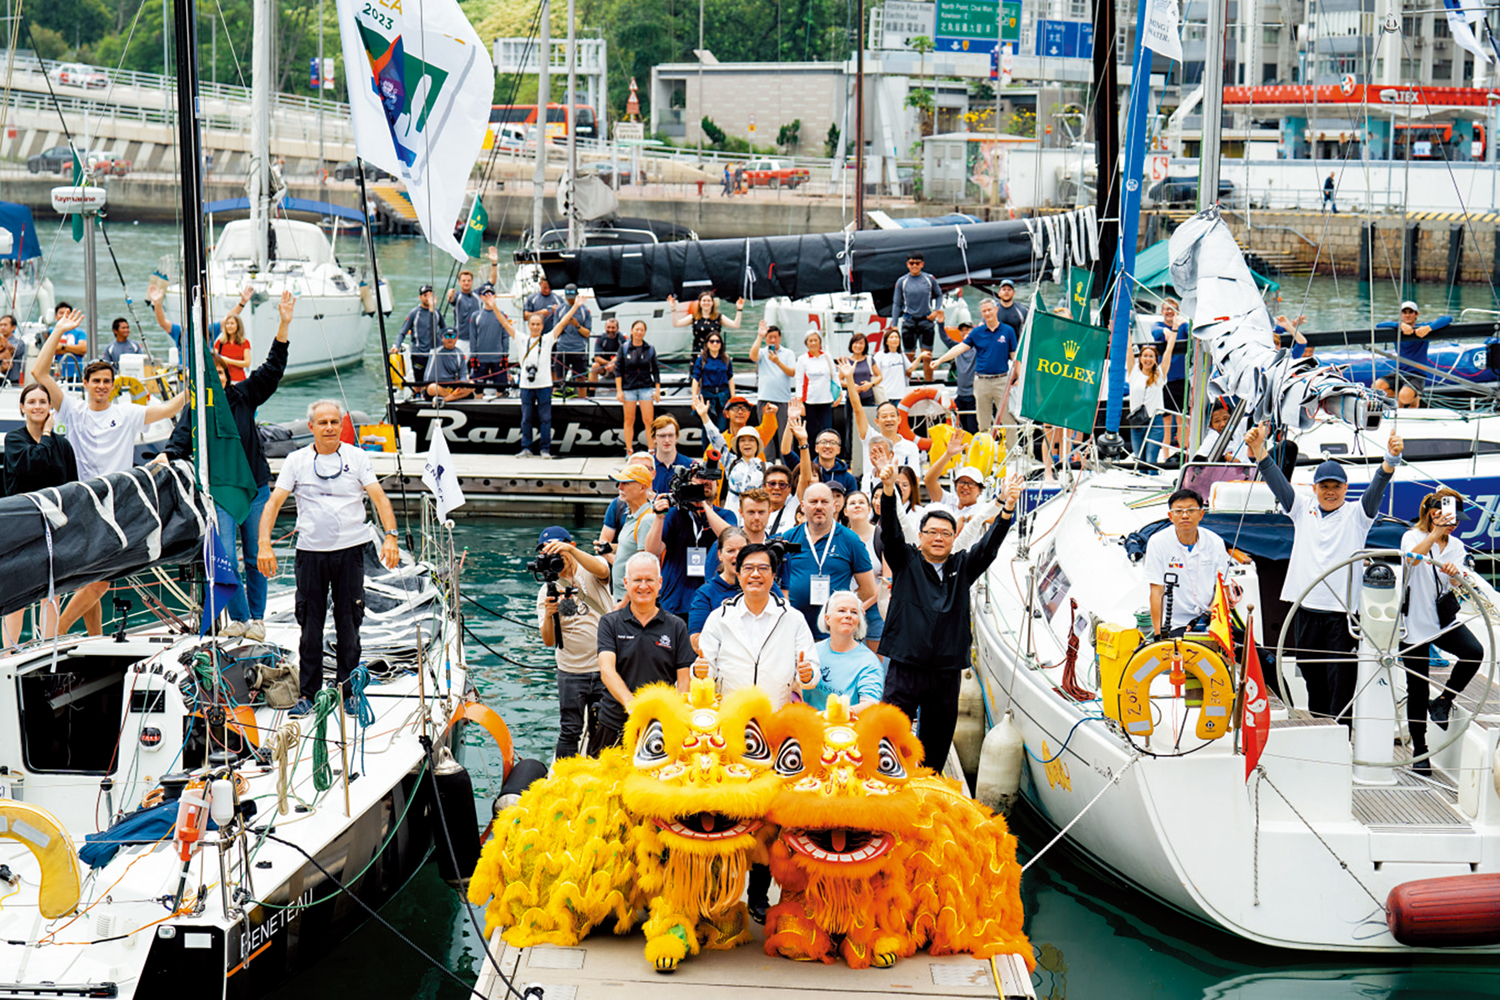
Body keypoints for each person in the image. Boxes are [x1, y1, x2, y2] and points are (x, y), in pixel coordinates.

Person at [31, 309, 188, 637]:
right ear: (86, 384)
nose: (101, 386)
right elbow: (39, 372)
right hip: (82, 501)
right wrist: (59, 330)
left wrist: (192, 388)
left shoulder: (127, 412)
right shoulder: (72, 410)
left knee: (97, 578)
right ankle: (55, 635)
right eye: (96, 381)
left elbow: (171, 408)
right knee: (98, 580)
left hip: (117, 501)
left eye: (107, 381)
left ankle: (93, 638)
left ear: (113, 384)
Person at [1246, 422, 1403, 724]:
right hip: (1305, 608)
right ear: (1315, 488)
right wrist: (1259, 450)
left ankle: (1341, 731)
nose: (1330, 492)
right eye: (1324, 486)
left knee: (1340, 677)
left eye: (1336, 486)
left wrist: (1390, 459)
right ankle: (1320, 726)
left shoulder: (1359, 514)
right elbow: (1276, 481)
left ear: (1346, 489)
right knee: (1308, 670)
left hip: (1341, 614)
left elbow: (1378, 486)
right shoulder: (1301, 508)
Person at [162, 290, 294, 640]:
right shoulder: (197, 410)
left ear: (227, 377)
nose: (217, 379)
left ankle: (257, 619)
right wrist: (163, 458)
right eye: (211, 374)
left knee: (255, 556)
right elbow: (178, 443)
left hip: (254, 488)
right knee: (227, 559)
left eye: (221, 373)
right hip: (219, 490)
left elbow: (272, 370)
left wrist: (283, 324)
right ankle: (238, 620)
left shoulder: (244, 396)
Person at [257, 399, 403, 715]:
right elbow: (273, 503)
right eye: (322, 422)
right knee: (310, 627)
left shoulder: (358, 457)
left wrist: (390, 538)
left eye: (335, 422)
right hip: (310, 555)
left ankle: (349, 691)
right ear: (311, 427)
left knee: (349, 625)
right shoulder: (296, 461)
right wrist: (264, 544)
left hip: (350, 553)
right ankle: (308, 694)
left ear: (341, 425)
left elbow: (379, 498)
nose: (329, 428)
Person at [876, 456, 1018, 769]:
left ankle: (929, 793)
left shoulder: (963, 566)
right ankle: (885, 794)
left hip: (946, 670)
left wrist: (1006, 510)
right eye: (932, 532)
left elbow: (989, 547)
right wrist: (888, 490)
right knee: (889, 738)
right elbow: (891, 532)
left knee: (936, 742)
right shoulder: (905, 560)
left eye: (946, 533)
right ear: (921, 535)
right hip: (905, 666)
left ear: (954, 539)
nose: (939, 538)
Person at [1401, 490, 1483, 773]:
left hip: (1441, 620)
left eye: (1456, 519)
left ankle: (1445, 699)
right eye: (1447, 518)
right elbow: (1411, 560)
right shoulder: (1412, 538)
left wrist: (1454, 574)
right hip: (1412, 625)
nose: (1453, 524)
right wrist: (1434, 535)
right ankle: (1420, 751)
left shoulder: (1457, 546)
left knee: (1474, 652)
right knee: (1417, 688)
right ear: (1432, 513)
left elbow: (1456, 580)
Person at [3, 383, 79, 645]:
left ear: (50, 407)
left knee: (53, 591)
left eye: (43, 402)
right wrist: (47, 434)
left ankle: (49, 648)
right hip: (20, 529)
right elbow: (32, 464)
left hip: (55, 528)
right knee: (17, 594)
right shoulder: (14, 440)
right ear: (22, 407)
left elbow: (72, 487)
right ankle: (10, 652)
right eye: (32, 401)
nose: (37, 406)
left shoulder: (64, 446)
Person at [596, 552, 695, 749]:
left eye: (649, 580)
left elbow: (684, 680)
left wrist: (680, 716)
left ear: (659, 583)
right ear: (625, 583)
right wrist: (631, 704)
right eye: (637, 580)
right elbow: (607, 670)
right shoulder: (610, 623)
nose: (643, 586)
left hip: (660, 725)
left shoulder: (676, 626)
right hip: (615, 722)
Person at [534, 526, 615, 759]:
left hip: (604, 666)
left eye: (559, 549)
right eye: (548, 551)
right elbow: (548, 641)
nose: (556, 556)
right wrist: (550, 615)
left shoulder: (589, 571)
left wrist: (570, 550)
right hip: (570, 671)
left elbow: (603, 568)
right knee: (570, 730)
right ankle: (564, 780)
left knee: (604, 728)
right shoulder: (547, 590)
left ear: (572, 547)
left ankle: (600, 774)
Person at [779, 482, 877, 637]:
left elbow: (868, 589)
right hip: (795, 633)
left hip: (836, 636)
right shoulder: (788, 539)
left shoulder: (851, 540)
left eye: (824, 502)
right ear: (803, 506)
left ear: (834, 505)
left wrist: (844, 604)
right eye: (813, 502)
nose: (819, 507)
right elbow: (774, 582)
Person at [645, 463, 738, 618]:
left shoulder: (725, 515)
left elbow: (731, 538)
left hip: (713, 601)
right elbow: (652, 551)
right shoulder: (675, 515)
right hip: (676, 600)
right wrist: (659, 517)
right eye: (700, 478)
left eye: (710, 479)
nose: (706, 481)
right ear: (689, 482)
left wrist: (703, 504)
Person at [1145, 489, 1235, 638]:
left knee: (1260, 654)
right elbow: (1157, 592)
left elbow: (1222, 589)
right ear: (1170, 516)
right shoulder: (1157, 542)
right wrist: (1158, 634)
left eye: (1191, 510)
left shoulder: (1215, 542)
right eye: (1179, 511)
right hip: (1176, 624)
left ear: (1201, 514)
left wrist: (1207, 615)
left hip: (1211, 619)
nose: (1185, 515)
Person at [934, 300, 1019, 432]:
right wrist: (939, 360)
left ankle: (1013, 452)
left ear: (996, 309)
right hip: (981, 382)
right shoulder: (976, 333)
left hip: (1001, 381)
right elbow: (959, 348)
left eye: (989, 310)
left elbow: (1015, 356)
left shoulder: (1008, 331)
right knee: (983, 422)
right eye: (984, 311)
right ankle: (985, 451)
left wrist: (1019, 376)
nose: (987, 313)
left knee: (1008, 420)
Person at [513, 297, 583, 458]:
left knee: (546, 419)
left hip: (544, 385)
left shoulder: (548, 339)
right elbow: (504, 323)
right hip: (526, 386)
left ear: (542, 326)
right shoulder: (522, 339)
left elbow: (563, 322)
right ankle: (526, 448)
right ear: (529, 325)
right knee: (526, 419)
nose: (535, 326)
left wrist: (576, 306)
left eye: (538, 324)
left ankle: (545, 449)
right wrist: (492, 305)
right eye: (533, 324)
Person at [841, 369, 921, 494]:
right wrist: (849, 378)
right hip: (871, 496)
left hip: (898, 496)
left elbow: (914, 479)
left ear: (899, 419)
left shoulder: (910, 447)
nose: (889, 419)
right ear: (877, 421)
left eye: (892, 415)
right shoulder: (870, 438)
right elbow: (857, 408)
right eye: (884, 416)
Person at [807, 590, 884, 712]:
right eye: (842, 610)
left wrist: (839, 713)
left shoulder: (869, 662)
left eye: (854, 612)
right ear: (827, 619)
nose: (848, 615)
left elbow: (871, 703)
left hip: (845, 727)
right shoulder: (813, 651)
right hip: (808, 724)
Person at [841, 490, 885, 653]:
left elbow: (887, 579)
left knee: (876, 662)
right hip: (843, 607)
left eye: (861, 502)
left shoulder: (881, 536)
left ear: (869, 508)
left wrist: (863, 606)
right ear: (845, 511)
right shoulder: (838, 537)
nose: (857, 506)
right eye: (852, 503)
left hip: (874, 607)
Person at [608, 463, 658, 596]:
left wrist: (625, 602)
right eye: (619, 483)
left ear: (642, 487)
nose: (620, 487)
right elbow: (632, 547)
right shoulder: (631, 516)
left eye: (626, 483)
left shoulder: (647, 520)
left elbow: (645, 568)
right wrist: (609, 548)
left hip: (631, 599)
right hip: (622, 595)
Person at [750, 321, 796, 459]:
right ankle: (767, 466)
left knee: (785, 435)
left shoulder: (788, 353)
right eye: (769, 337)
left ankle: (787, 465)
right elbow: (752, 356)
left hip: (783, 399)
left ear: (780, 338)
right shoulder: (762, 353)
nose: (773, 340)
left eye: (775, 337)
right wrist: (759, 336)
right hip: (765, 399)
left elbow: (792, 372)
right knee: (766, 436)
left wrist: (778, 362)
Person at [616, 320, 660, 456]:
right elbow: (618, 370)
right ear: (631, 330)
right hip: (629, 388)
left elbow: (656, 370)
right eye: (637, 329)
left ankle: (651, 450)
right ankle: (629, 450)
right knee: (629, 420)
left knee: (649, 421)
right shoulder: (624, 348)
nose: (639, 332)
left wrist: (657, 389)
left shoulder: (650, 349)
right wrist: (619, 390)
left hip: (646, 387)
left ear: (645, 332)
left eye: (642, 330)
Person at [785, 416, 858, 497]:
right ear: (816, 448)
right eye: (823, 442)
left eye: (833, 443)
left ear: (839, 450)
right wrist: (791, 419)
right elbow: (786, 451)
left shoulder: (848, 478)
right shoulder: (805, 468)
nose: (827, 446)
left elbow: (851, 502)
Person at [891, 252, 944, 357]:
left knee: (927, 356)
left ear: (922, 264)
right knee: (909, 355)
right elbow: (897, 303)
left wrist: (936, 311)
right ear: (907, 264)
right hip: (909, 322)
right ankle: (908, 374)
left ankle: (928, 374)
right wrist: (894, 325)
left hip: (926, 321)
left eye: (917, 263)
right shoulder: (902, 281)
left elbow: (939, 295)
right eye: (911, 263)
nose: (914, 265)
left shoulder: (929, 279)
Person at [1155, 299, 1190, 459]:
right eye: (1166, 309)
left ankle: (1185, 454)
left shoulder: (1183, 326)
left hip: (1182, 378)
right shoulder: (1157, 326)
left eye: (1173, 309)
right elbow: (1158, 332)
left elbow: (1192, 332)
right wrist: (1167, 332)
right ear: (1162, 311)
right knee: (1166, 421)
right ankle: (1166, 456)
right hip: (1164, 380)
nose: (1169, 312)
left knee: (1182, 419)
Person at [393, 284, 446, 386]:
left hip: (434, 353)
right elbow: (402, 331)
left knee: (433, 381)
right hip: (419, 353)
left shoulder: (437, 312)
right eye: (425, 295)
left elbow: (443, 327)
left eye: (430, 295)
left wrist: (442, 341)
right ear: (420, 297)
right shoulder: (414, 313)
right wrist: (397, 345)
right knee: (419, 382)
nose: (428, 298)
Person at [931, 321, 978, 432]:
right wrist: (941, 324)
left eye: (968, 329)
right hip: (960, 395)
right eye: (962, 330)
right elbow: (944, 338)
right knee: (959, 428)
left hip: (974, 395)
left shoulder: (978, 348)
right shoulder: (956, 348)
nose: (964, 332)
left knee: (972, 428)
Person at [1126, 341, 1169, 464]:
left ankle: (1153, 479)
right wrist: (1126, 326)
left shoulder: (1160, 374)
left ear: (1156, 359)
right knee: (1139, 460)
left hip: (1155, 421)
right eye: (1145, 355)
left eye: (1151, 356)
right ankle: (1141, 483)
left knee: (1150, 459)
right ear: (1140, 358)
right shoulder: (1134, 373)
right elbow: (1129, 349)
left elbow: (1168, 353)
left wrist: (1174, 332)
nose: (1148, 359)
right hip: (1137, 422)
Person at [793, 331, 838, 443]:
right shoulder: (802, 359)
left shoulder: (827, 357)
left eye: (815, 340)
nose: (813, 343)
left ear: (820, 342)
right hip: (810, 401)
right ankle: (810, 458)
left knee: (827, 430)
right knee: (810, 432)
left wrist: (839, 394)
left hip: (826, 400)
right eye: (810, 341)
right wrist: (800, 402)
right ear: (806, 343)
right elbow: (799, 380)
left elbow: (834, 375)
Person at [669, 290, 744, 355]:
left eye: (708, 301)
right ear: (700, 303)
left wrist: (739, 309)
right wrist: (673, 309)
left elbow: (735, 325)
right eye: (704, 301)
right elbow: (676, 324)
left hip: (714, 352)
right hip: (698, 352)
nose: (706, 303)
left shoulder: (719, 317)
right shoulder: (694, 317)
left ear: (712, 303)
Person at [471, 282, 513, 394]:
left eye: (491, 294)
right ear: (481, 297)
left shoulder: (502, 315)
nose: (488, 296)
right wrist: (473, 356)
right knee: (478, 389)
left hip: (497, 358)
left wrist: (505, 355)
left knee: (501, 387)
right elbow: (473, 337)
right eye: (485, 294)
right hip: (481, 358)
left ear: (495, 296)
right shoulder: (475, 316)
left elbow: (505, 336)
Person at [552, 284, 592, 396]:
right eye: (568, 297)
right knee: (559, 378)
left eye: (573, 297)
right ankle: (559, 398)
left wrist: (577, 325)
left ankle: (582, 401)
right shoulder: (560, 310)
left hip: (578, 349)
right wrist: (564, 324)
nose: (571, 300)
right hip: (562, 349)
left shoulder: (584, 311)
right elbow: (555, 332)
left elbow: (587, 333)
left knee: (581, 379)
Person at [690, 332, 735, 428]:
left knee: (722, 427)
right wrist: (694, 398)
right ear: (707, 343)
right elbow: (696, 378)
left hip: (723, 395)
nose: (715, 344)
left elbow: (730, 378)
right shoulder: (701, 359)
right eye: (712, 341)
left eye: (718, 341)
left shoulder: (726, 359)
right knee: (707, 426)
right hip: (707, 395)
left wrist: (733, 397)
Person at [723, 427, 766, 512]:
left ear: (757, 444)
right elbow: (716, 440)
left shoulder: (766, 467)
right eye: (742, 440)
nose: (747, 443)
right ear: (738, 445)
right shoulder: (730, 462)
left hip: (756, 515)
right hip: (732, 515)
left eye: (751, 440)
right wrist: (704, 417)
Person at [423, 328, 472, 402]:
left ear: (457, 338)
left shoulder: (459, 353)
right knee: (432, 388)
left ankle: (445, 399)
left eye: (452, 336)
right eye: (447, 336)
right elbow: (431, 330)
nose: (450, 339)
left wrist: (461, 385)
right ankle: (455, 397)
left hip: (451, 387)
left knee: (472, 384)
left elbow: (463, 375)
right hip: (435, 386)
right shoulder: (435, 348)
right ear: (442, 337)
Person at [1395, 301, 1435, 390]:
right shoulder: (1396, 328)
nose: (1407, 315)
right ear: (1401, 315)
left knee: (1404, 395)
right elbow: (1379, 325)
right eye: (1404, 312)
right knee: (1379, 386)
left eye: (1410, 312)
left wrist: (1428, 328)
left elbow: (1447, 318)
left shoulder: (1422, 327)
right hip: (1400, 372)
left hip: (1416, 374)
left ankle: (1412, 400)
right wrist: (1400, 325)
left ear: (1416, 314)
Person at [872, 327, 918, 403]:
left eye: (896, 337)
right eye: (891, 337)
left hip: (900, 395)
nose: (894, 339)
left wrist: (920, 357)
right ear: (886, 342)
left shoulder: (901, 355)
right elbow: (875, 374)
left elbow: (910, 368)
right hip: (885, 395)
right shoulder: (879, 356)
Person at [843, 332, 881, 410]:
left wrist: (870, 384)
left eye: (861, 343)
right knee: (851, 421)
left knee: (868, 421)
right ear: (851, 345)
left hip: (868, 398)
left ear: (865, 346)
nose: (858, 346)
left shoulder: (869, 360)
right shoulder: (846, 361)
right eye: (856, 343)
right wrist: (851, 385)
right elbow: (840, 380)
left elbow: (879, 376)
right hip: (851, 398)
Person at [761, 464, 800, 537]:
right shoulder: (755, 513)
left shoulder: (793, 506)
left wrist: (803, 451)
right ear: (763, 488)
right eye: (772, 483)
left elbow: (805, 478)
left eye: (782, 484)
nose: (776, 488)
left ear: (789, 490)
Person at [588, 315, 622, 398]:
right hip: (605, 367)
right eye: (608, 327)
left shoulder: (621, 338)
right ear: (605, 327)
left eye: (613, 328)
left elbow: (624, 354)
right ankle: (591, 394)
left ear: (617, 328)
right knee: (594, 366)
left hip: (618, 367)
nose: (610, 330)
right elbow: (597, 358)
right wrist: (608, 364)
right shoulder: (601, 338)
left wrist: (613, 364)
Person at [213, 310, 251, 383]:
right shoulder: (220, 343)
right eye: (227, 324)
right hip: (223, 380)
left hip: (239, 380)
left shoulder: (244, 343)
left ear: (238, 326)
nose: (229, 326)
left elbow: (247, 363)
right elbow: (214, 359)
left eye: (232, 324)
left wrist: (228, 361)